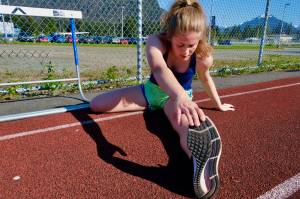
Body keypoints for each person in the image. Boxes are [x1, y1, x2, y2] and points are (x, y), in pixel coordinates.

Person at [90, 0, 234, 198]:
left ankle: (198, 159)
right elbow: (159, 69)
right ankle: (198, 151)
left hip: (174, 101)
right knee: (96, 105)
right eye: (180, 44)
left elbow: (206, 78)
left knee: (183, 125)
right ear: (169, 36)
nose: (185, 51)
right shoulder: (155, 41)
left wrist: (218, 104)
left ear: (200, 38)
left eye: (191, 45)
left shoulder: (202, 56)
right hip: (151, 92)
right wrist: (102, 143)